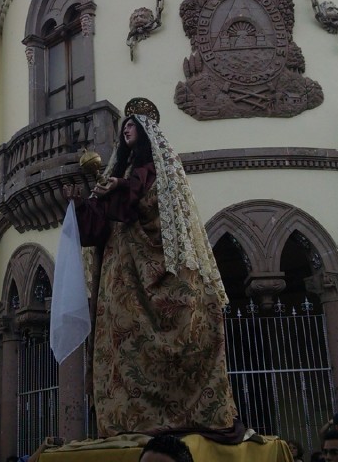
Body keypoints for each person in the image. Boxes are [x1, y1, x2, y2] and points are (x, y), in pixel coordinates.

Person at [62, 98, 238, 440]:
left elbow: (158, 209)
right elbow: (98, 228)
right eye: (124, 125)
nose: (127, 128)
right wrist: (83, 203)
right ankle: (125, 419)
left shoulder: (159, 171)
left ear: (146, 134)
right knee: (121, 336)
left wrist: (123, 191)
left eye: (134, 125)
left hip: (150, 263)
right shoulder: (118, 173)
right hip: (120, 269)